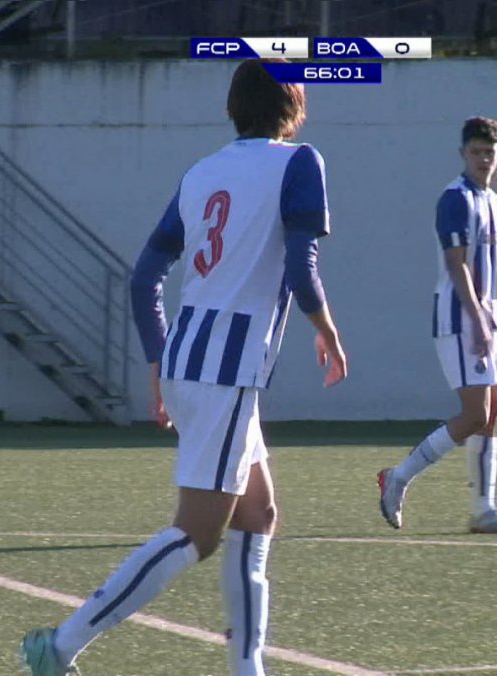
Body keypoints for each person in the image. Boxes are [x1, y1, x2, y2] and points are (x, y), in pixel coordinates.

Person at [18, 59, 348, 676]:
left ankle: (247, 669)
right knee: (196, 534)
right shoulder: (300, 162)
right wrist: (325, 327)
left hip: (191, 359)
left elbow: (146, 275)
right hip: (226, 371)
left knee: (258, 515)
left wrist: (156, 359)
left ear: (233, 108)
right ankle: (58, 646)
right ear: (294, 106)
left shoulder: (202, 172)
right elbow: (302, 266)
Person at [378, 117, 497, 534]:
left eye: (490, 152)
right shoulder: (455, 198)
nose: (484, 159)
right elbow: (456, 264)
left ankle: (484, 508)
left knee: (492, 411)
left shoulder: (490, 199)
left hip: (485, 318)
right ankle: (399, 476)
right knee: (474, 413)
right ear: (463, 152)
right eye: (477, 151)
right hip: (461, 319)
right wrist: (479, 318)